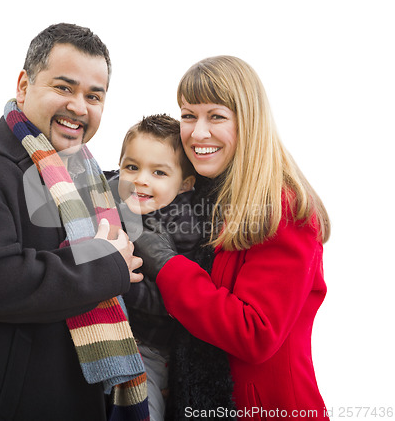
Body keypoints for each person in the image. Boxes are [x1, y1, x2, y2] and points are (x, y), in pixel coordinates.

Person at [0, 23, 149, 421]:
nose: (79, 107)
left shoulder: (96, 182)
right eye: (64, 88)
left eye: (93, 96)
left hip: (94, 405)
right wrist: (106, 265)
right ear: (23, 85)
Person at [134, 56, 331, 420]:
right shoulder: (203, 193)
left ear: (248, 122)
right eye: (188, 115)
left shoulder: (283, 209)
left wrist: (166, 263)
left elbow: (255, 333)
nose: (197, 132)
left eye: (216, 116)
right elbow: (137, 172)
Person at [108, 114, 197, 421]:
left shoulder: (182, 225)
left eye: (159, 172)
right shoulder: (110, 200)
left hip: (150, 347)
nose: (140, 179)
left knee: (141, 409)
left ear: (184, 185)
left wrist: (120, 282)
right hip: (110, 335)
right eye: (131, 167)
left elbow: (171, 301)